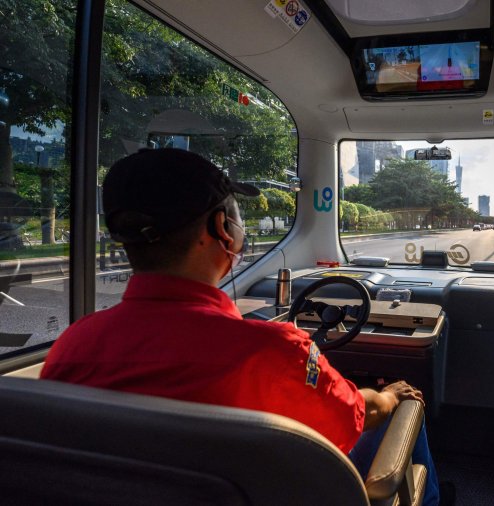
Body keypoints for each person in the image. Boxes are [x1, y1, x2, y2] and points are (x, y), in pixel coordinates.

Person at [41, 148, 442, 505]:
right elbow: (357, 413)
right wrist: (387, 395)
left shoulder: (72, 344)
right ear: (221, 229)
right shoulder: (272, 350)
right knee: (403, 409)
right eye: (236, 215)